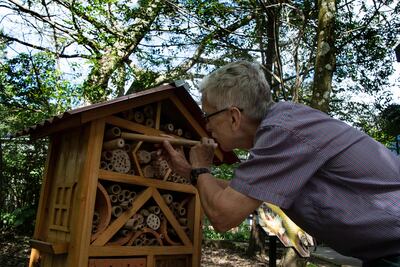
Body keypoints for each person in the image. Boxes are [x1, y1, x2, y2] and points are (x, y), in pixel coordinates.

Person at [161, 60, 400, 266]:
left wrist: (201, 168)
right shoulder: (283, 127)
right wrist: (190, 172)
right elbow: (240, 195)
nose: (207, 126)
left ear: (234, 117)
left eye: (208, 116)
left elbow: (224, 216)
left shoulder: (283, 132)